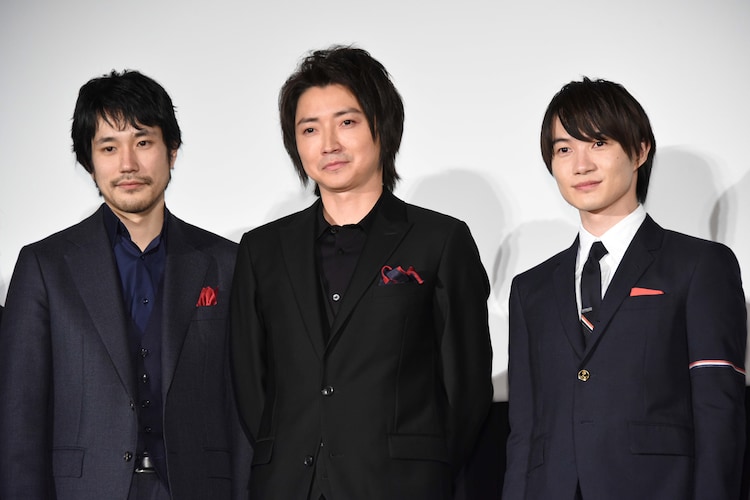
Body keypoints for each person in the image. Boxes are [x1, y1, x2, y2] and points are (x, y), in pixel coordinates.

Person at [230, 45, 493, 500]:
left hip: (402, 486)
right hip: (289, 485)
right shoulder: (262, 250)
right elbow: (251, 385)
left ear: (382, 126)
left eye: (347, 122)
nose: (328, 143)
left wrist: (416, 469)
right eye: (310, 129)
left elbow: (465, 389)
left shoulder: (440, 240)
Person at [0, 70, 251, 500]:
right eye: (109, 147)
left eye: (143, 142)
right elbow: (19, 420)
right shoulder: (44, 267)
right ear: (89, 161)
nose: (128, 164)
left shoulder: (227, 263)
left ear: (172, 151)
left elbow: (243, 410)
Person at [502, 77, 747, 500]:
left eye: (598, 143)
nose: (581, 165)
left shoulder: (699, 265)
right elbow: (524, 431)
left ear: (640, 151)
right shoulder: (531, 289)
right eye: (564, 150)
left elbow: (718, 411)